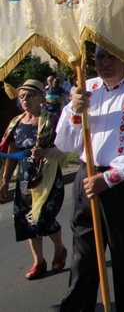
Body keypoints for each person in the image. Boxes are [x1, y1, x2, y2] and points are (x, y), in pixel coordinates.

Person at [55, 47, 124, 311]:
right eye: (100, 56)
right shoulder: (85, 88)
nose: (104, 62)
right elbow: (65, 142)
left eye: (111, 56)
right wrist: (74, 112)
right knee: (84, 258)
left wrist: (111, 177)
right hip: (86, 178)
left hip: (123, 184)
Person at [0, 79, 67, 280]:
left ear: (40, 99)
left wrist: (46, 151)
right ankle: (39, 261)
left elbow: (66, 148)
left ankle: (59, 248)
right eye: (22, 96)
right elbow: (12, 151)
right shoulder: (16, 123)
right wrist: (4, 180)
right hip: (24, 178)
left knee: (44, 218)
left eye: (30, 96)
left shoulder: (53, 120)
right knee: (27, 220)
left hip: (47, 178)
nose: (25, 100)